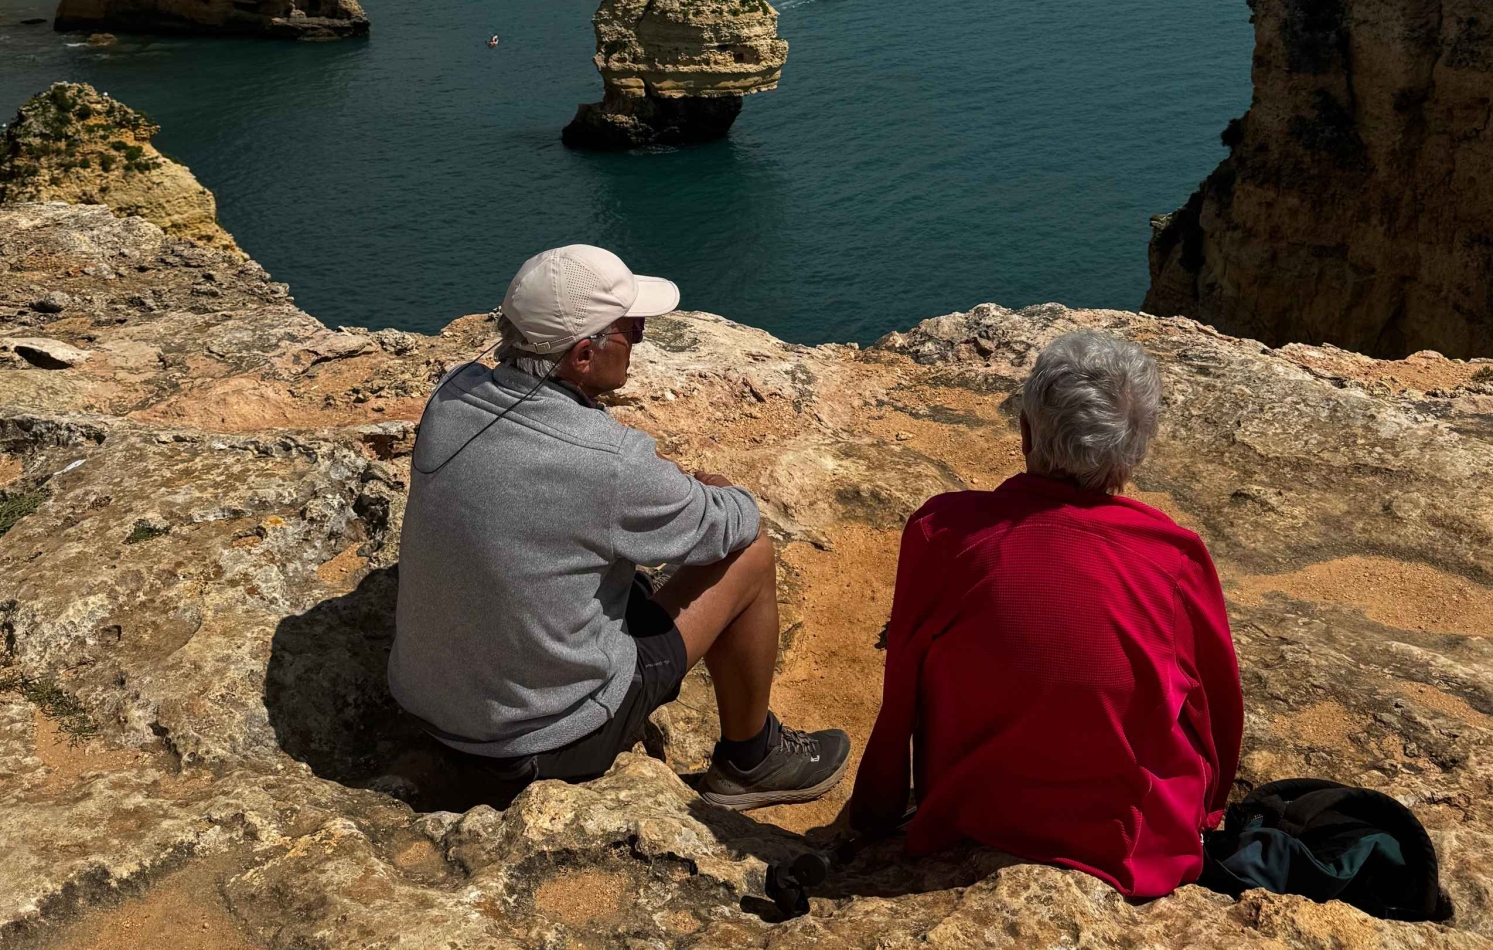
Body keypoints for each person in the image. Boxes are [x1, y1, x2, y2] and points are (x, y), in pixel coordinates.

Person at [388, 244, 849, 809]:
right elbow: (726, 525)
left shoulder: (452, 393)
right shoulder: (608, 461)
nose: (642, 338)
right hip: (538, 743)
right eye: (632, 329)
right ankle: (750, 760)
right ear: (583, 355)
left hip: (428, 706)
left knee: (625, 581)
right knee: (750, 553)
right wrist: (720, 489)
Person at [849, 331, 1243, 898]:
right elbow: (1215, 707)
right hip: (1125, 847)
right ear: (1133, 453)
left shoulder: (942, 531)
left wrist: (878, 807)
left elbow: (901, 688)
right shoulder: (1172, 558)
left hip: (970, 813)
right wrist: (1210, 808)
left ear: (1026, 432)